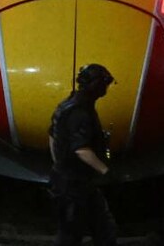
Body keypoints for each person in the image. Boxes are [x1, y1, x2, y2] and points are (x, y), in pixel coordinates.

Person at [49, 63, 119, 246]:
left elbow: (52, 136)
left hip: (69, 180)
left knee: (98, 228)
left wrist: (58, 163)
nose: (106, 88)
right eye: (105, 84)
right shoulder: (81, 112)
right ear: (96, 85)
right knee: (72, 234)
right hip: (74, 184)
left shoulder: (66, 105)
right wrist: (106, 171)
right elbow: (81, 150)